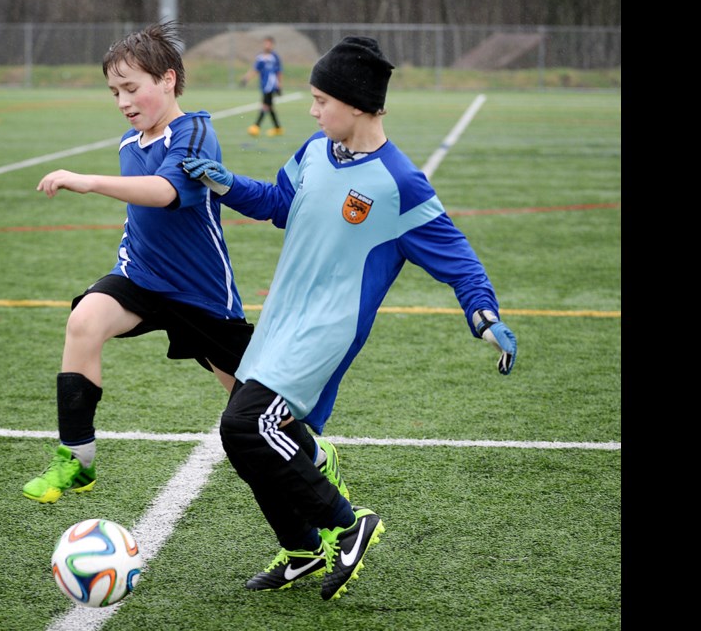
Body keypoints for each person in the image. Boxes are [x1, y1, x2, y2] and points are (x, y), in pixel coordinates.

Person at [182, 36, 518, 601]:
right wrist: (224, 181)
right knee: (242, 437)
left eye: (320, 100)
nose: (312, 111)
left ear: (357, 103)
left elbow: (458, 258)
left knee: (247, 424)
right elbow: (279, 204)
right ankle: (302, 547)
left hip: (327, 330)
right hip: (282, 319)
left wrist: (483, 314)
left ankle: (347, 523)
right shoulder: (316, 150)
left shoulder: (400, 183)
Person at [24, 21, 349, 507]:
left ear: (168, 79)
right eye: (114, 92)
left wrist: (87, 181)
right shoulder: (127, 143)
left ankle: (315, 459)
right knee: (84, 322)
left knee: (251, 407)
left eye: (131, 88)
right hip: (139, 277)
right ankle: (77, 458)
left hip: (201, 296)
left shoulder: (194, 131)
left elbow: (166, 193)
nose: (122, 102)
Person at [240, 36, 284, 137]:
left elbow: (279, 72)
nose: (267, 45)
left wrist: (279, 85)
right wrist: (246, 79)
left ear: (272, 45)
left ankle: (256, 126)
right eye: (265, 43)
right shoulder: (260, 57)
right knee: (269, 106)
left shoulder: (275, 57)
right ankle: (278, 128)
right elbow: (255, 70)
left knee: (265, 105)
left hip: (271, 85)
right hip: (264, 85)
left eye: (269, 43)